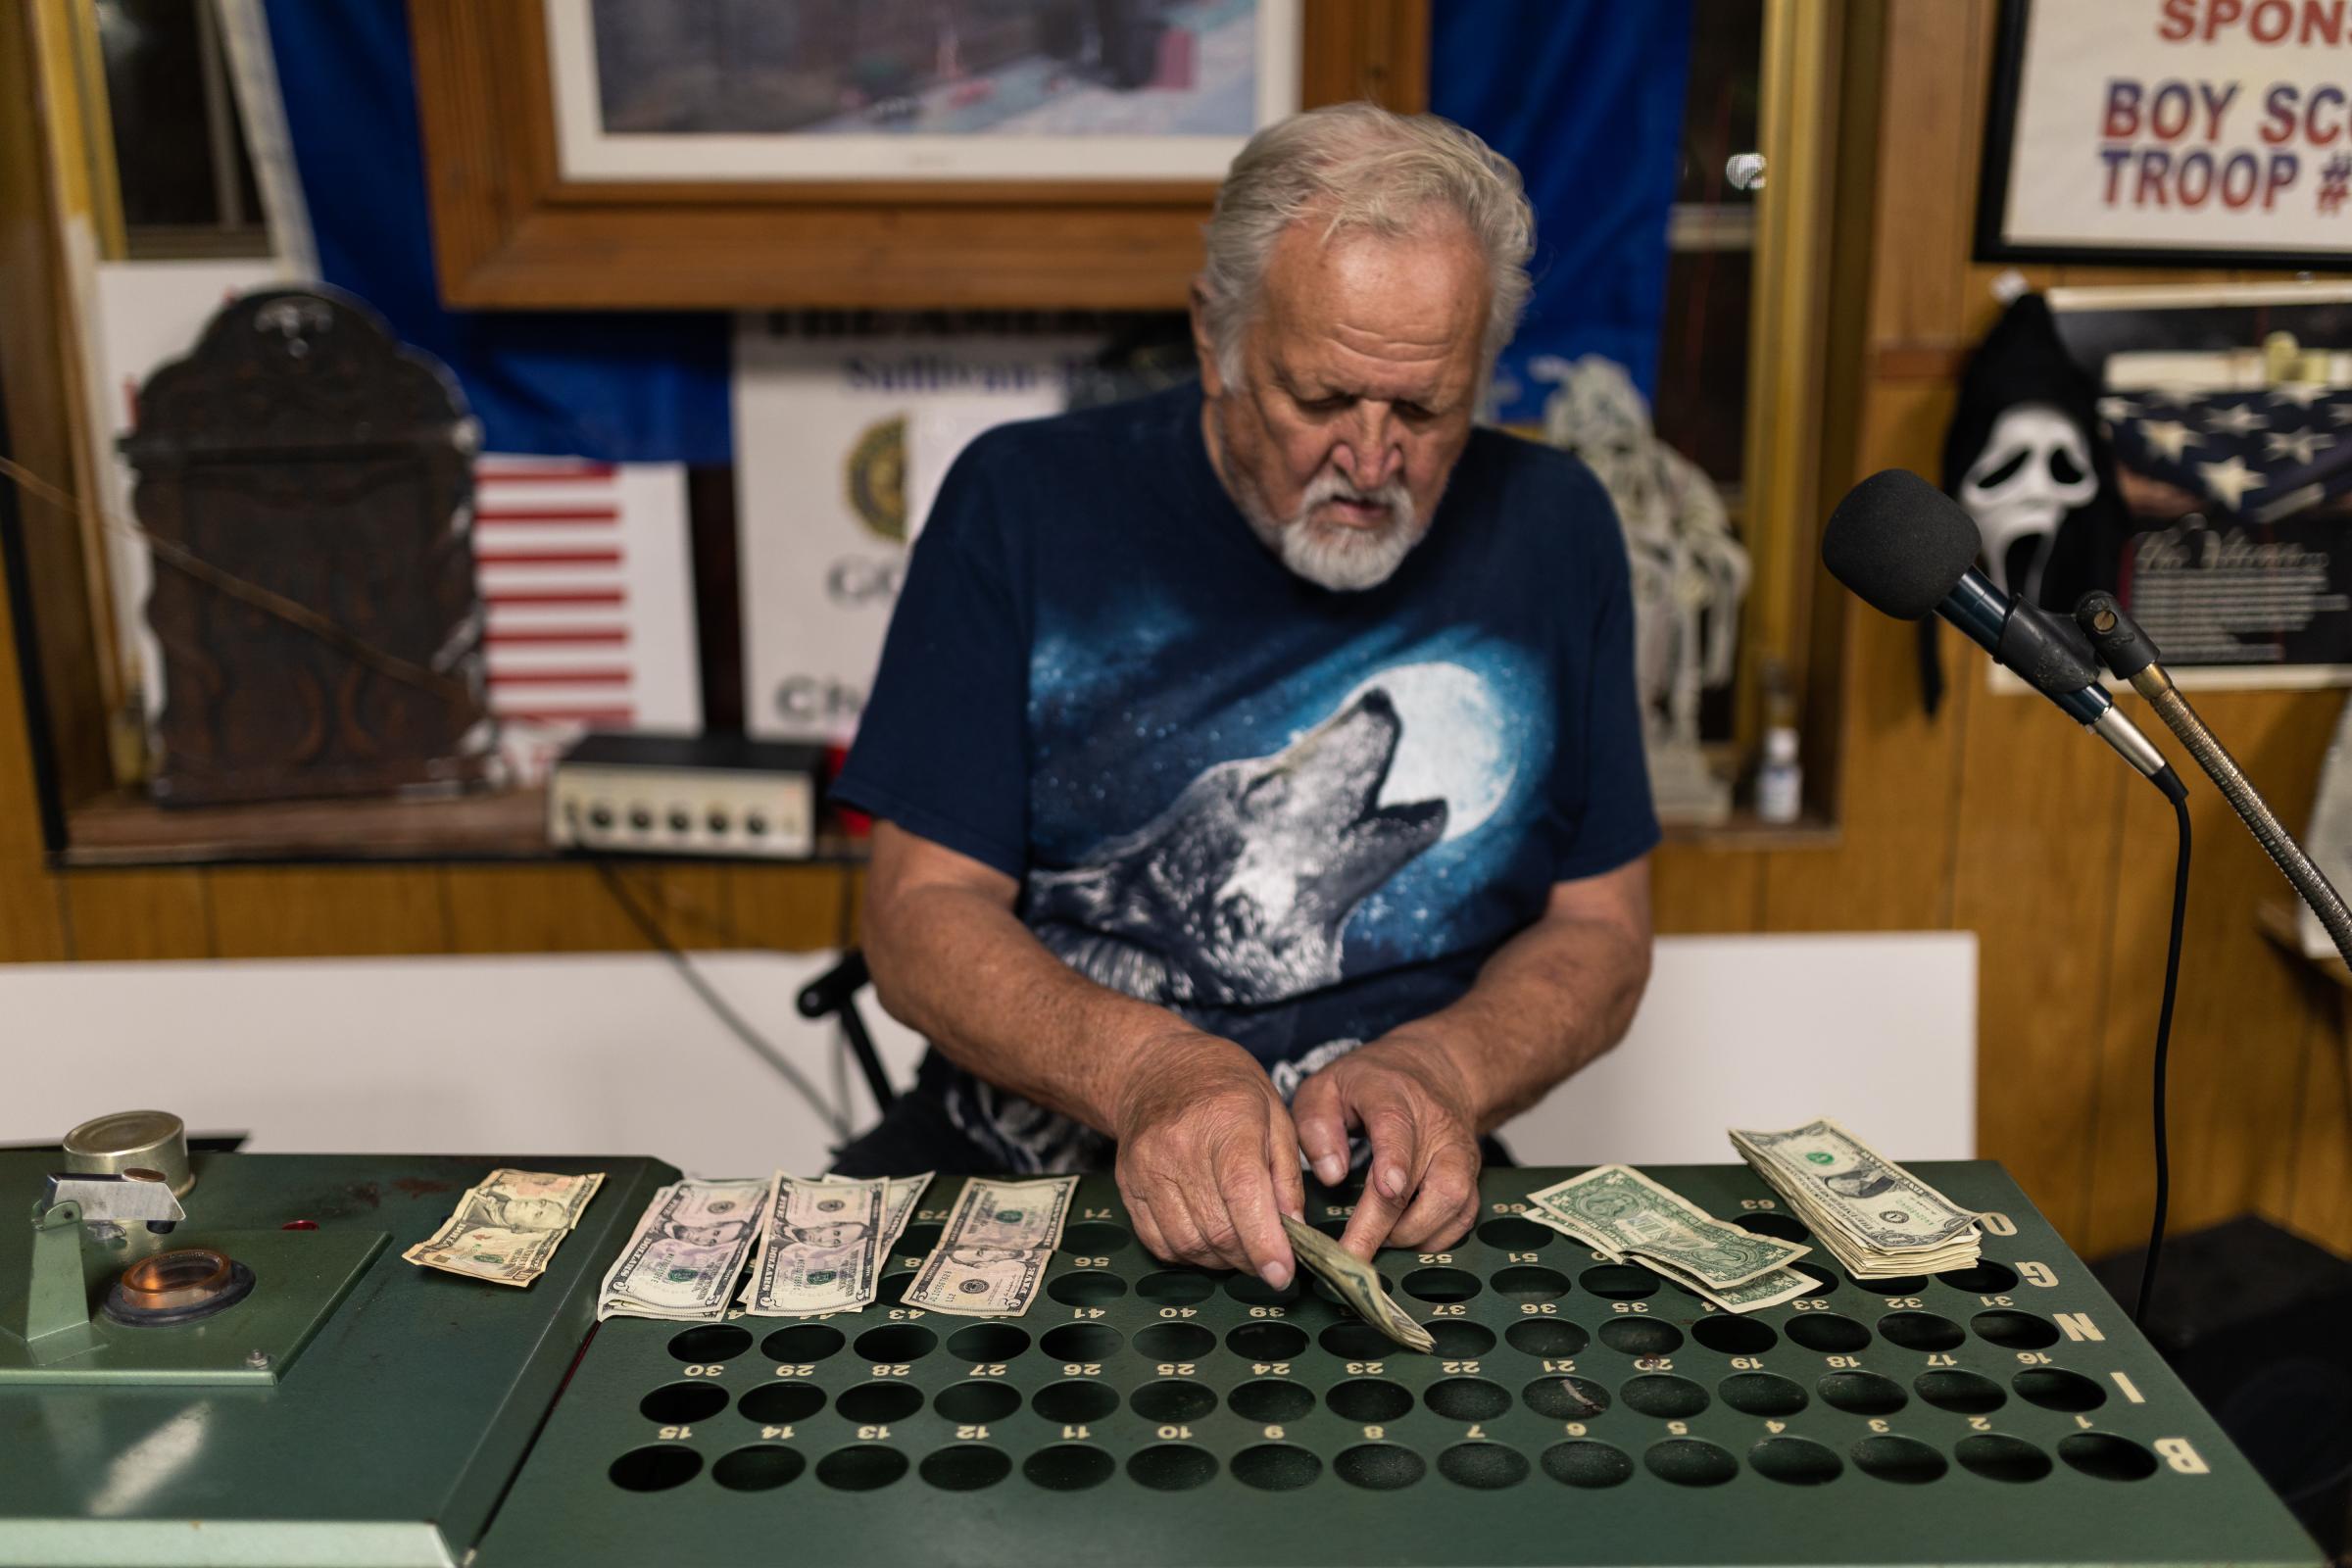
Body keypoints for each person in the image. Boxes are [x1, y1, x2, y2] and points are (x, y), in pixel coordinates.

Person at [830, 103, 1657, 1289]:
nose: (1372, 462)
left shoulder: (1557, 524)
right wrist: (1149, 1070)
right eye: (1321, 399)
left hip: (1393, 1195)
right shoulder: (1020, 502)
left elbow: (1603, 929)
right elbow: (918, 916)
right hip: (1024, 1173)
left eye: (1425, 409)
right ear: (1216, 337)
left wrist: (1446, 1071)